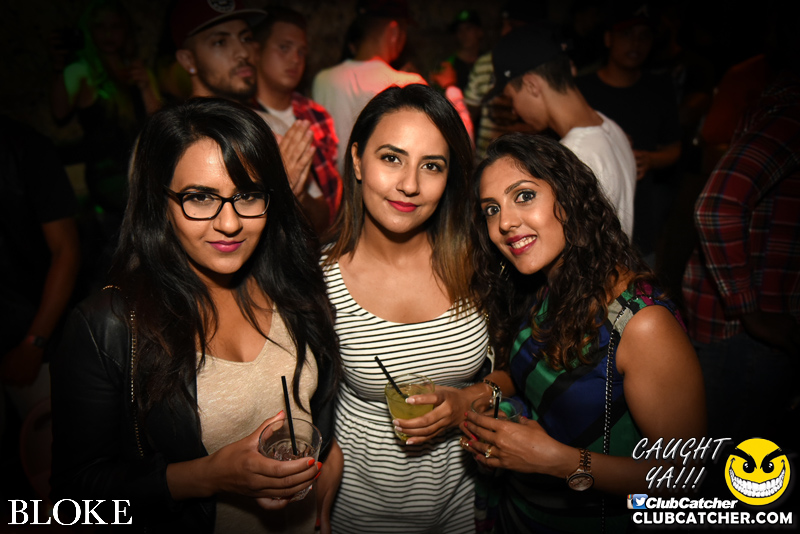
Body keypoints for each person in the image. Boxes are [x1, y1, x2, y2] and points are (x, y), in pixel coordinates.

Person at [50, 98, 343, 534]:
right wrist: (204, 477)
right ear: (159, 202)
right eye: (200, 198)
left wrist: (328, 464)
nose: (230, 223)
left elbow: (319, 410)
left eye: (247, 195)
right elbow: (72, 497)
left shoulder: (292, 285)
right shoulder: (108, 325)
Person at [464, 133, 705, 533]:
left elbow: (685, 479)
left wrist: (558, 461)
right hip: (523, 513)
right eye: (492, 209)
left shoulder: (641, 323)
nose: (504, 222)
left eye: (524, 196)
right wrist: (479, 399)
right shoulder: (543, 283)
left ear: (569, 199)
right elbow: (533, 378)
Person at [321, 84, 491, 533]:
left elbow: (521, 373)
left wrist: (468, 400)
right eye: (391, 158)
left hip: (464, 508)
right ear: (358, 160)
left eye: (431, 166)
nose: (410, 185)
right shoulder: (318, 284)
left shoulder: (480, 265)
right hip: (358, 514)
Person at [682, 64, 800, 446]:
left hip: (741, 322)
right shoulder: (790, 111)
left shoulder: (774, 100)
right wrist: (750, 311)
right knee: (733, 457)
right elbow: (717, 207)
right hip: (744, 331)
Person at [170, 0, 323, 235]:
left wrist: (296, 194)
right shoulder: (169, 137)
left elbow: (322, 220)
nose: (243, 53)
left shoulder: (272, 127)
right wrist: (277, 194)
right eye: (220, 42)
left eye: (246, 38)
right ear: (188, 60)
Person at [49, 0, 161, 290]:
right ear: (89, 32)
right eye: (100, 27)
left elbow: (160, 124)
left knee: (149, 253)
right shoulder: (81, 70)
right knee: (119, 254)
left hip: (142, 171)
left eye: (115, 27)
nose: (109, 34)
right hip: (109, 179)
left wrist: (146, 86)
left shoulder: (135, 70)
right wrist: (60, 67)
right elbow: (59, 112)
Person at [488, 23, 637, 238]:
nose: (514, 110)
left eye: (512, 98)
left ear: (531, 85)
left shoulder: (572, 158)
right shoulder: (611, 127)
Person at [576, 2, 682, 262]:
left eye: (644, 36)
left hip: (640, 212)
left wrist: (650, 160)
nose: (635, 44)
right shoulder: (582, 89)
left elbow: (674, 148)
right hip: (591, 215)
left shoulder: (660, 87)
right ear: (608, 38)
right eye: (627, 34)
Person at [312, 0, 427, 177]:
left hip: (335, 189)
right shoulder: (410, 84)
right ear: (394, 32)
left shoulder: (323, 80)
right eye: (404, 32)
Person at [253, 7, 342, 232]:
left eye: (302, 52)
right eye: (284, 47)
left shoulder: (316, 114)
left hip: (329, 237)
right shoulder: (248, 118)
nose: (295, 59)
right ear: (256, 51)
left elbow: (334, 186)